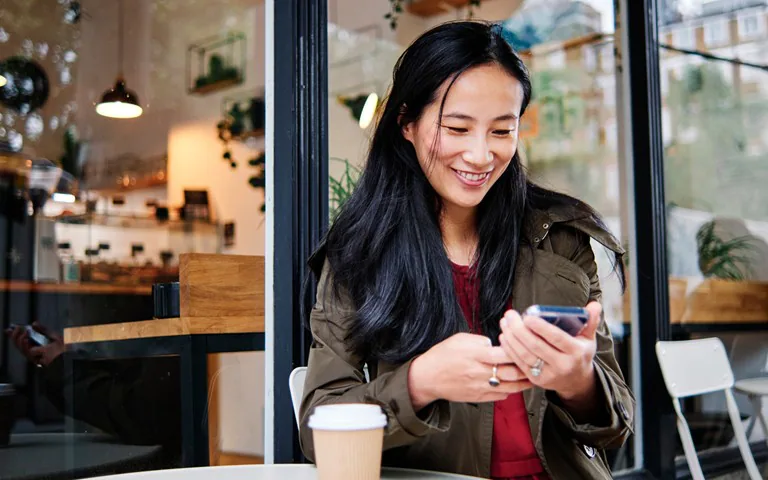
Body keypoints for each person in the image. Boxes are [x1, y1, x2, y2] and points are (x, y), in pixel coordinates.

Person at [299, 21, 634, 480]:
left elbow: (615, 425)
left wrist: (578, 382)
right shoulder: (360, 253)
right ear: (407, 124)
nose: (480, 155)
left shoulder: (560, 238)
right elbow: (318, 430)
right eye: (457, 128)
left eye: (501, 131)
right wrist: (419, 383)